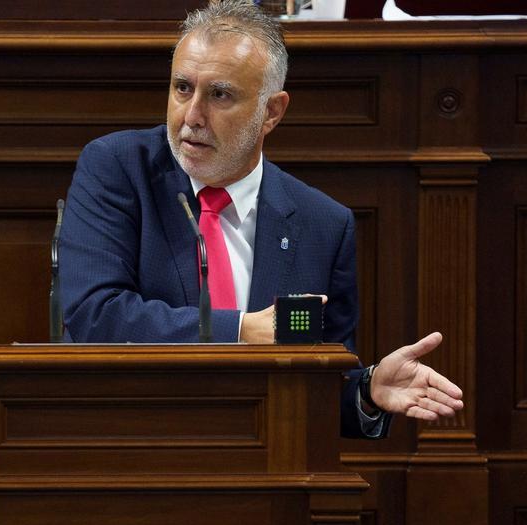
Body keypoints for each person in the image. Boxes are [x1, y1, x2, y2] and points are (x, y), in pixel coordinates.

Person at [59, 0, 462, 437]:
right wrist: (240, 331)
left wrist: (365, 389)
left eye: (220, 94)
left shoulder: (322, 225)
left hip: (262, 463)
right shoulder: (118, 169)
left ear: (272, 112)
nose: (191, 116)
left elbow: (319, 387)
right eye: (182, 88)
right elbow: (94, 314)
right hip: (129, 446)